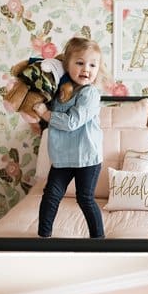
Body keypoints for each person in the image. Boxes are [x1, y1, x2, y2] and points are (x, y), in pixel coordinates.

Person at [34, 36, 106, 239]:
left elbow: (72, 122)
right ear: (67, 65)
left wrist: (46, 115)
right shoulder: (59, 92)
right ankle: (43, 237)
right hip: (62, 157)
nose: (86, 69)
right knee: (51, 195)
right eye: (80, 63)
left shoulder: (89, 93)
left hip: (86, 157)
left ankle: (98, 240)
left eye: (93, 65)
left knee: (85, 198)